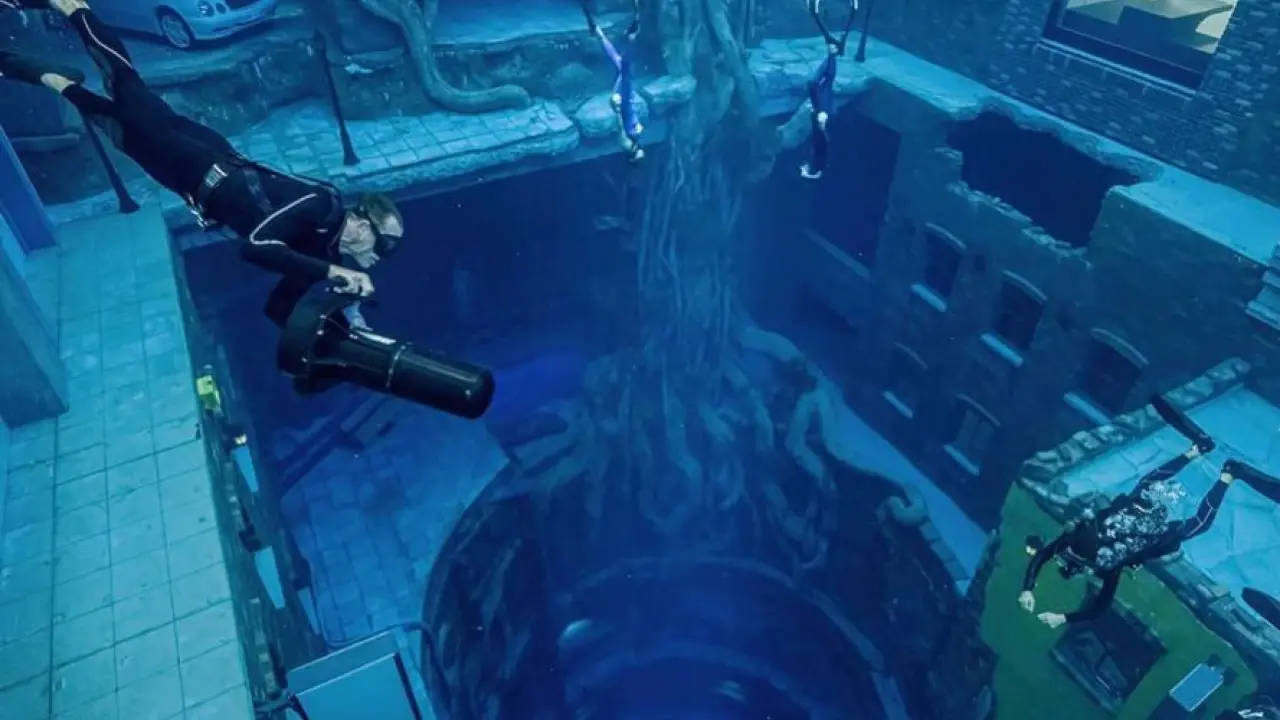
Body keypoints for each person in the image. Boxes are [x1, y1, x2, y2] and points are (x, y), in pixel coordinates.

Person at [0, 0, 404, 329]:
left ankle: (44, 76)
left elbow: (279, 307)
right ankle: (73, 7)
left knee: (112, 124)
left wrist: (347, 315)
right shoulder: (323, 203)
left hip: (186, 180)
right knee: (123, 81)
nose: (384, 255)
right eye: (385, 243)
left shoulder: (324, 250)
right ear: (360, 225)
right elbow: (257, 247)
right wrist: (332, 274)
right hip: (195, 155)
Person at [1020, 394, 1280, 628]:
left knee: (1193, 520)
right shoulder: (1077, 544)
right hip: (1143, 518)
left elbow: (1097, 607)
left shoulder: (1103, 565)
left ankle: (1225, 473)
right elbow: (1044, 556)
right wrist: (1030, 591)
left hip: (1152, 527)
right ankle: (1199, 453)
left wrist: (1059, 614)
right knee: (1151, 485)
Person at [801, 0, 858, 180]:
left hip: (821, 108)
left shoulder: (817, 157)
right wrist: (821, 119)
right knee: (818, 81)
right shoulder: (820, 157)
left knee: (817, 82)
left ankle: (816, 11)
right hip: (824, 108)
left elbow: (820, 141)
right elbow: (824, 141)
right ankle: (818, 11)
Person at [583, 0, 644, 163]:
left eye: (639, 158)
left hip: (623, 102)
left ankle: (631, 37)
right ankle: (599, 34)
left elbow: (621, 129)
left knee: (625, 69)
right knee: (619, 63)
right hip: (627, 101)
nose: (642, 155)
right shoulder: (635, 142)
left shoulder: (627, 145)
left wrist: (616, 109)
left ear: (633, 157)